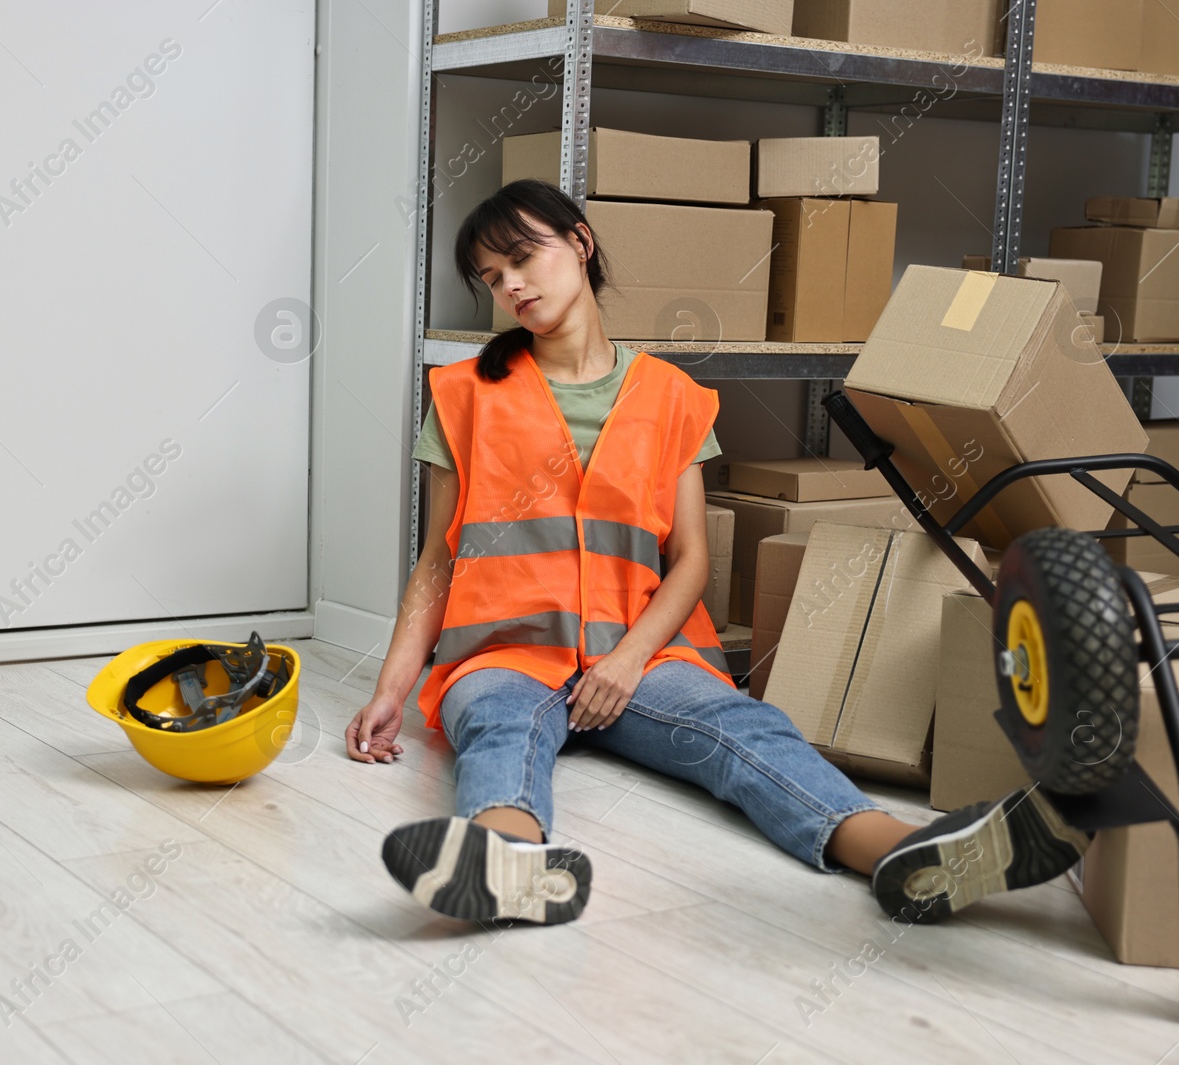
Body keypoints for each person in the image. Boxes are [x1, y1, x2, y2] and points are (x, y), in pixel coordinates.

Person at [343, 179, 1089, 927]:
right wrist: (391, 687)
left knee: (744, 727)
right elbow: (437, 560)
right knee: (499, 731)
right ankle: (507, 867)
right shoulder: (464, 393)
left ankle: (908, 854)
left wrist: (629, 657)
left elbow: (691, 558)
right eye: (491, 276)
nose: (509, 284)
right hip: (503, 651)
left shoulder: (672, 396)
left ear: (580, 241)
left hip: (645, 655)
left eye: (520, 256)